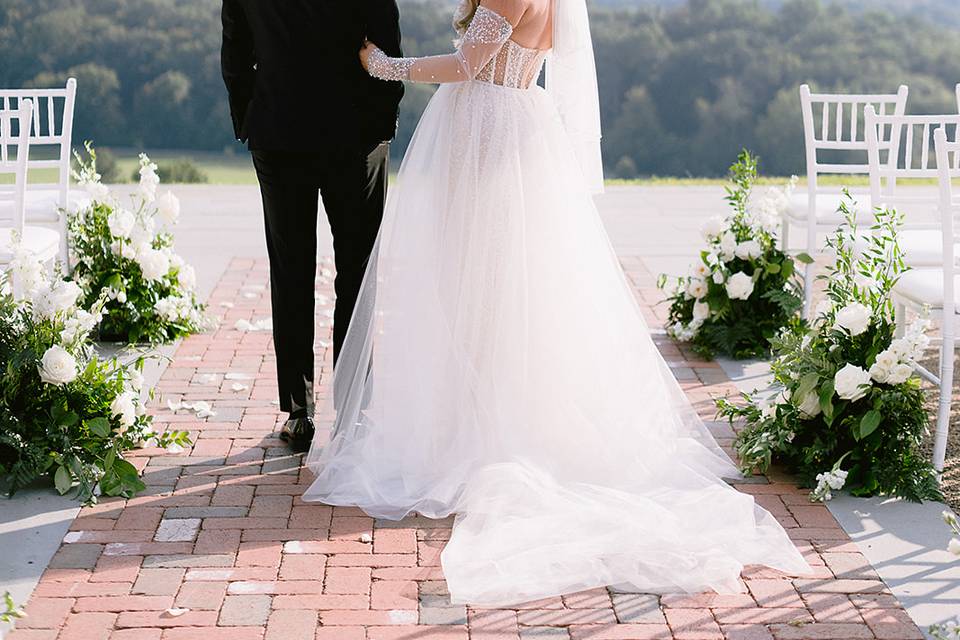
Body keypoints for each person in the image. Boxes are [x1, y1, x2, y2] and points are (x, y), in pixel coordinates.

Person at [304, 0, 811, 606]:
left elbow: (468, 64)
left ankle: (485, 430)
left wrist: (385, 66)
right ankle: (471, 417)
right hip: (500, 128)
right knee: (480, 286)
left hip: (491, 133)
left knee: (485, 287)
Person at [220, 0, 404, 452]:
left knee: (291, 269)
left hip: (279, 129)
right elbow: (387, 41)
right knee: (358, 273)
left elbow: (235, 52)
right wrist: (383, 118)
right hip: (356, 133)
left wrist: (248, 118)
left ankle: (298, 412)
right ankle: (353, 407)